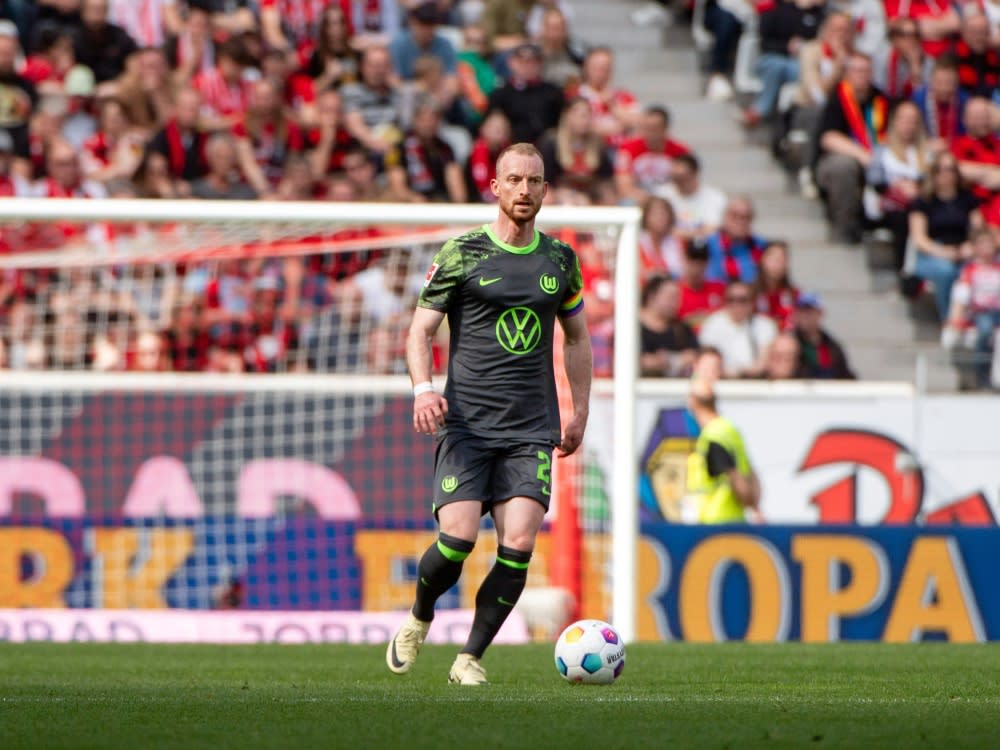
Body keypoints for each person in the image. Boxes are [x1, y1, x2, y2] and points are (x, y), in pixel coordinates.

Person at [387, 142, 592, 686]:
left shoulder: (561, 261)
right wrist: (423, 390)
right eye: (515, 180)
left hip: (531, 428)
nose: (525, 191)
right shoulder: (462, 253)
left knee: (519, 544)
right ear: (495, 187)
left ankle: (469, 658)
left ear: (545, 190)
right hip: (469, 426)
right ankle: (419, 617)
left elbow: (577, 340)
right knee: (455, 541)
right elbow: (419, 331)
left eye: (535, 181)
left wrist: (580, 411)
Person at [685, 377, 761, 523]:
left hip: (716, 523)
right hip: (731, 521)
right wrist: (754, 506)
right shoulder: (729, 429)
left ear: (693, 402)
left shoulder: (713, 436)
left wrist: (749, 503)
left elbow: (735, 478)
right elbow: (751, 474)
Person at [639, 274, 699, 377]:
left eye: (677, 297)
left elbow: (695, 356)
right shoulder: (631, 327)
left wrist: (670, 360)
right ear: (651, 297)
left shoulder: (681, 328)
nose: (675, 302)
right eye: (670, 297)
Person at [792, 291, 857, 378]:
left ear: (821, 313)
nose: (806, 316)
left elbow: (844, 374)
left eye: (810, 312)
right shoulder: (789, 343)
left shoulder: (832, 346)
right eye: (802, 311)